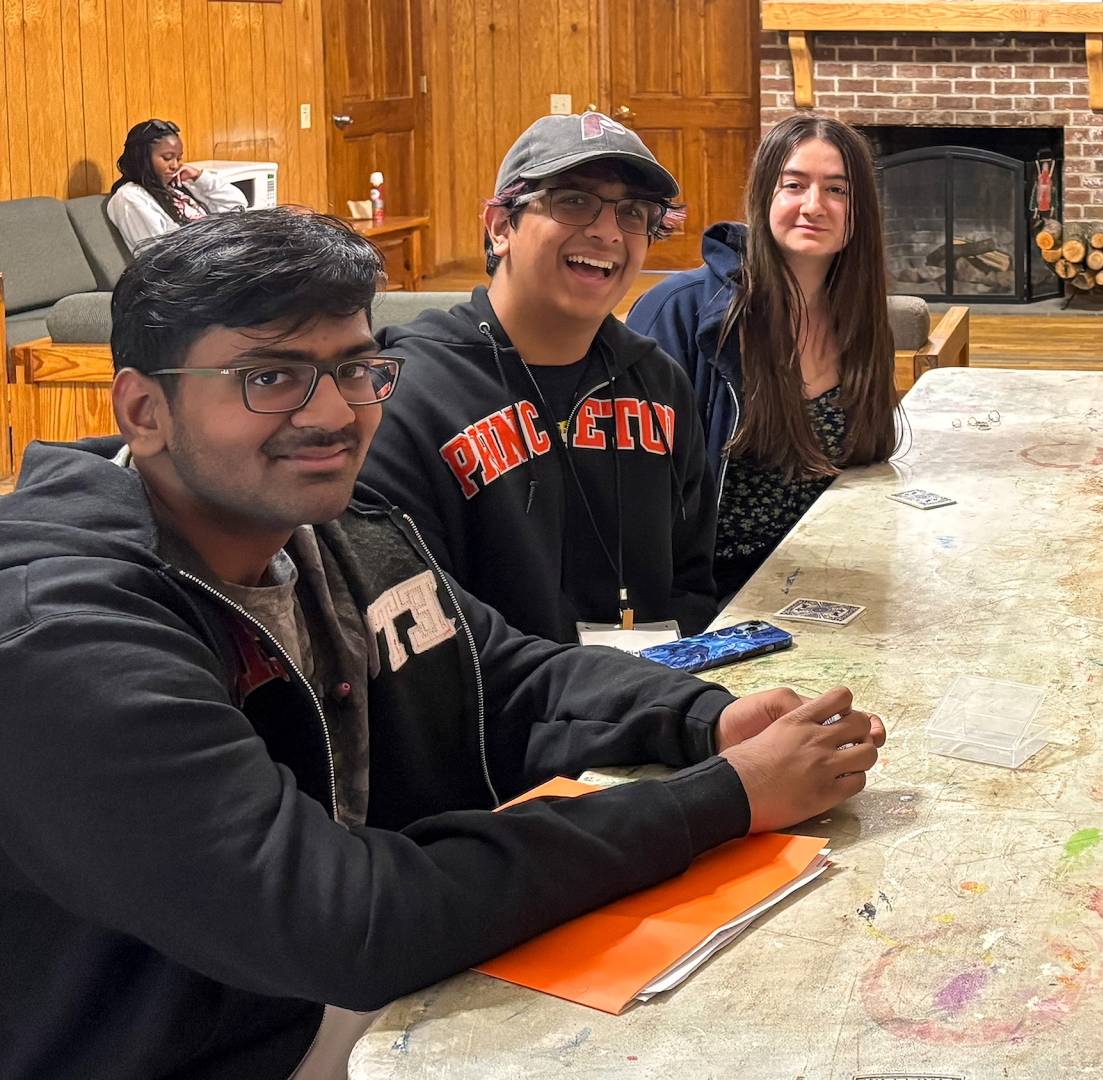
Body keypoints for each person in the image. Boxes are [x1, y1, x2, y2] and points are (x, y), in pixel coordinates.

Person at [0, 209, 886, 1080]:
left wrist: (704, 719)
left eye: (353, 369)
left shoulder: (335, 528)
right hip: (228, 1037)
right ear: (143, 409)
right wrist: (723, 799)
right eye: (269, 377)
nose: (332, 415)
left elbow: (505, 679)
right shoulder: (64, 637)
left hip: (364, 994)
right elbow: (345, 923)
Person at [362, 112, 719, 644]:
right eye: (573, 201)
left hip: (647, 702)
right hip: (496, 717)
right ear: (501, 226)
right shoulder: (409, 398)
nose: (606, 231)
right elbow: (415, 629)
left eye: (634, 213)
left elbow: (690, 582)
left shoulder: (659, 385)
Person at [626, 114, 898, 598]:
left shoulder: (860, 315)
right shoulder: (679, 312)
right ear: (763, 195)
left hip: (821, 574)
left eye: (838, 190)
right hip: (707, 593)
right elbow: (633, 503)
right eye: (794, 185)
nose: (814, 206)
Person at [106, 118, 248, 251]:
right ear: (142, 158)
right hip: (195, 271)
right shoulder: (130, 197)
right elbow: (160, 254)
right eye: (167, 158)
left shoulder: (181, 186)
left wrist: (199, 177)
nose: (175, 165)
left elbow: (237, 205)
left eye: (179, 158)